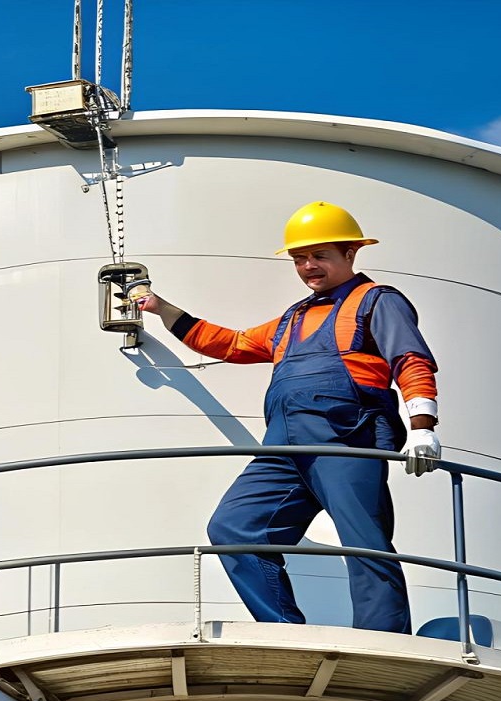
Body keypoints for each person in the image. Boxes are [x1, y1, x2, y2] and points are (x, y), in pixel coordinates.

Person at [136, 200, 440, 633]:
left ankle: (385, 642)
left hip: (346, 442)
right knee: (235, 528)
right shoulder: (291, 319)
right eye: (300, 258)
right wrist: (163, 308)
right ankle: (282, 629)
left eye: (320, 256)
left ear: (351, 253)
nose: (309, 266)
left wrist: (422, 428)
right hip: (283, 449)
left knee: (365, 544)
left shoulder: (377, 302)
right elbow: (232, 344)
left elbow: (409, 360)